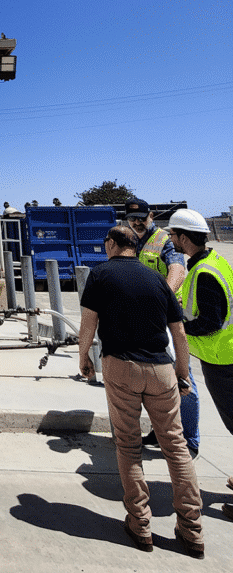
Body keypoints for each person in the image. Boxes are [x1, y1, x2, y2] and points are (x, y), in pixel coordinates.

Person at [78, 224, 203, 557]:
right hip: (161, 369)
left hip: (121, 366)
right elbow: (178, 335)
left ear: (114, 244)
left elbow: (88, 322)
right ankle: (192, 529)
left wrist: (84, 359)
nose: (104, 248)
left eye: (106, 243)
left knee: (129, 445)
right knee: (175, 446)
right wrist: (182, 375)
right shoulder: (157, 281)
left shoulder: (100, 275)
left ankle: (140, 523)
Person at [168, 208, 233, 524]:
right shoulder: (211, 263)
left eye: (173, 235)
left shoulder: (204, 272)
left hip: (224, 361)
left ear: (183, 237)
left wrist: (177, 324)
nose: (170, 240)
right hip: (224, 357)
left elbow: (210, 321)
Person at [124, 197, 200, 455]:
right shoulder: (131, 241)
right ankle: (160, 432)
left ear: (152, 216)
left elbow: (177, 270)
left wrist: (161, 298)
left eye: (142, 218)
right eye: (132, 219)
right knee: (155, 379)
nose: (137, 223)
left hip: (165, 315)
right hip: (141, 317)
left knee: (182, 376)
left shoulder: (164, 241)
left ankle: (190, 440)